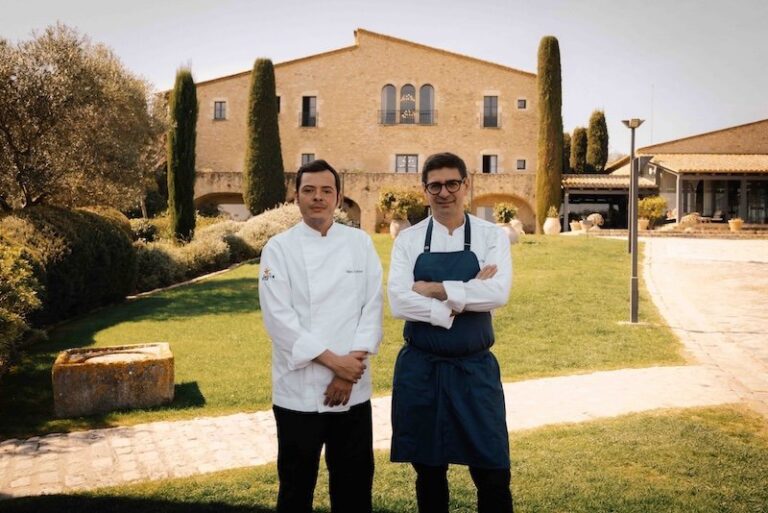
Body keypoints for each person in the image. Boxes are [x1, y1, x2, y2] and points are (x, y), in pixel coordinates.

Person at [388, 152, 514, 513]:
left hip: (474, 372)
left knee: (492, 472)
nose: (444, 192)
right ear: (424, 189)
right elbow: (398, 303)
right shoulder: (408, 241)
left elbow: (498, 293)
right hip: (421, 372)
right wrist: (462, 294)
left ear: (466, 185)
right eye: (435, 185)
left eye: (452, 183)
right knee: (428, 474)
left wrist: (435, 288)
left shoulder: (492, 237)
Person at [259, 159, 383, 513]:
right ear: (295, 196)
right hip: (298, 394)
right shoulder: (278, 249)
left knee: (354, 489)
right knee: (296, 491)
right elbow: (280, 321)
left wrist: (349, 371)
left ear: (338, 197)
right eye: (309, 190)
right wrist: (336, 365)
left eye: (326, 190)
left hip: (353, 394)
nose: (318, 198)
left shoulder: (360, 243)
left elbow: (371, 308)